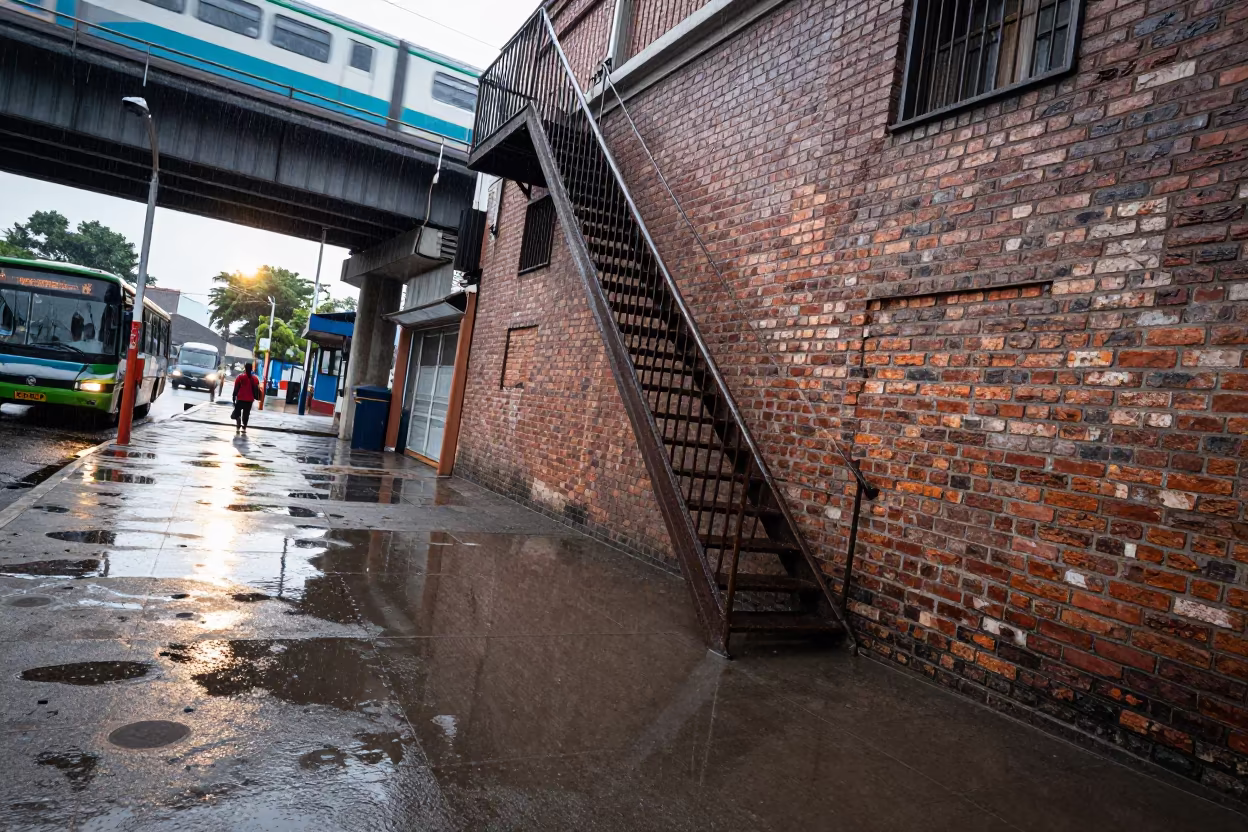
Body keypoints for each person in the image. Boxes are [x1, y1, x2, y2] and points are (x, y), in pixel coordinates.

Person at [232, 362, 263, 432]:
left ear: (245, 368)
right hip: (249, 399)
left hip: (240, 398)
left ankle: (238, 422)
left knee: (237, 412)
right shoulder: (255, 379)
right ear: (252, 369)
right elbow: (256, 389)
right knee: (246, 414)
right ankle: (244, 427)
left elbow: (236, 388)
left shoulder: (240, 377)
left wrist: (234, 396)